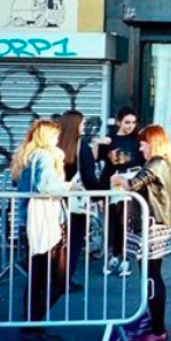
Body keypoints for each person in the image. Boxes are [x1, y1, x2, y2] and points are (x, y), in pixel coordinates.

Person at [110, 125, 171, 341]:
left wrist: (119, 180)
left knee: (151, 277)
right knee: (151, 275)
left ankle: (158, 329)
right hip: (158, 224)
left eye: (143, 143)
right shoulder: (164, 163)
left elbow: (134, 184)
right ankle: (154, 323)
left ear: (153, 143)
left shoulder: (157, 163)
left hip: (154, 226)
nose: (140, 147)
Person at [11, 119, 76, 341]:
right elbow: (45, 186)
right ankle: (32, 326)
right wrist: (69, 187)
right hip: (44, 223)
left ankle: (33, 327)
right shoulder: (45, 156)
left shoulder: (28, 156)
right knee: (57, 279)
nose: (58, 140)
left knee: (37, 278)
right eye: (55, 135)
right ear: (47, 136)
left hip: (30, 222)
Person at [57, 110, 103, 291]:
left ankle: (53, 278)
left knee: (58, 242)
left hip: (56, 200)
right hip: (76, 201)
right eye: (82, 123)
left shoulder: (55, 145)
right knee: (74, 242)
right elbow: (89, 177)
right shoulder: (81, 146)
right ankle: (65, 279)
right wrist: (99, 195)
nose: (84, 127)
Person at [96, 107, 144, 276]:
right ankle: (115, 255)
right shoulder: (111, 140)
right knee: (115, 219)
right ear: (118, 122)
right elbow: (104, 167)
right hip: (115, 180)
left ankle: (124, 258)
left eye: (133, 122)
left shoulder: (139, 140)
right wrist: (100, 195)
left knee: (127, 219)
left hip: (133, 179)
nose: (131, 126)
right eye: (127, 122)